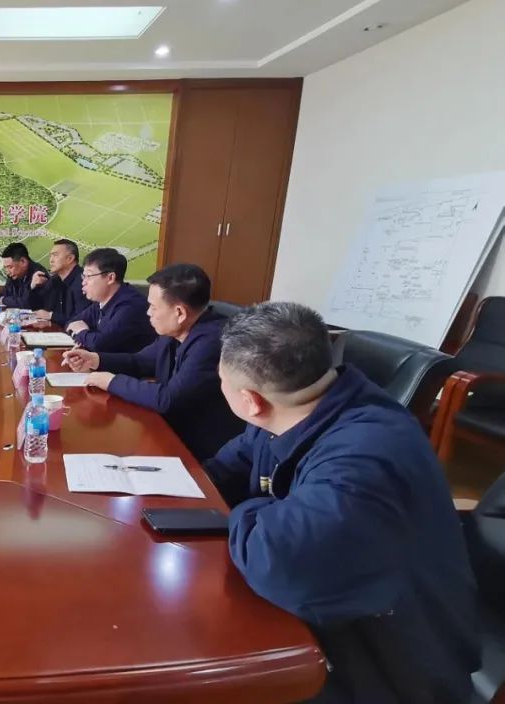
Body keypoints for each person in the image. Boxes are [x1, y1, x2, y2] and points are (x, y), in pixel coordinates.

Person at [206, 302, 479, 703]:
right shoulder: (296, 407)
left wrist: (250, 513)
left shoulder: (367, 451)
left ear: (250, 400)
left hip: (391, 663)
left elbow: (282, 564)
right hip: (339, 611)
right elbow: (227, 466)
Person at [62, 263, 242, 459]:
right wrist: (96, 360)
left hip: (200, 449)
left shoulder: (211, 341)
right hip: (170, 431)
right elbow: (140, 361)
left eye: (154, 307)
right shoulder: (175, 331)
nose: (148, 312)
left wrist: (111, 381)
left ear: (180, 313)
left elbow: (168, 399)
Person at [64, 248, 155, 352]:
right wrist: (85, 337)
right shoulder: (101, 301)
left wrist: (82, 331)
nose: (83, 282)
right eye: (83, 276)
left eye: (88, 276)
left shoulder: (131, 306)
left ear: (110, 278)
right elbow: (71, 323)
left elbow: (98, 344)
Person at [28, 239, 90, 326]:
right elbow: (37, 308)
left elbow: (82, 321)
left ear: (70, 258)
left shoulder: (84, 282)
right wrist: (33, 287)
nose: (51, 260)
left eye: (55, 255)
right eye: (50, 256)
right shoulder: (55, 280)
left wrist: (51, 316)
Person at [0, 242, 46, 309]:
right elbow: (5, 293)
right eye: (5, 267)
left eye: (10, 267)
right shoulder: (14, 275)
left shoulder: (39, 275)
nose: (7, 272)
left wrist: (4, 300)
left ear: (23, 262)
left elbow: (27, 303)